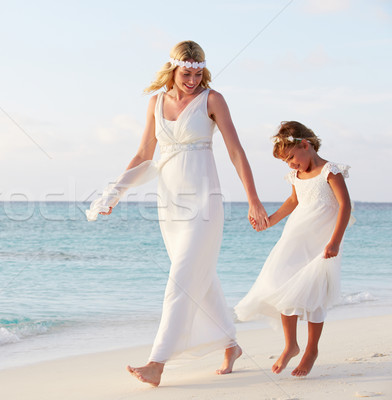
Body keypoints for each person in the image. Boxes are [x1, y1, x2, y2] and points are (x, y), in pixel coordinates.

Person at [86, 40, 269, 386]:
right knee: (200, 276)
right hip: (169, 204)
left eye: (198, 73)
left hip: (204, 201)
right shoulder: (155, 103)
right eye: (186, 73)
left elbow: (235, 150)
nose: (193, 80)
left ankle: (157, 362)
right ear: (173, 68)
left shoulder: (212, 100)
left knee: (181, 278)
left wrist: (253, 199)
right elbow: (143, 154)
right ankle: (231, 344)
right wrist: (114, 193)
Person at [235, 121, 353, 377]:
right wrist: (270, 221)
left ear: (305, 145)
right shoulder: (296, 176)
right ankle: (291, 344)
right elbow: (293, 201)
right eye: (286, 161)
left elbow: (345, 206)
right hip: (295, 237)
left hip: (323, 242)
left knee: (316, 292)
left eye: (291, 158)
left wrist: (335, 241)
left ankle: (311, 349)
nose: (291, 164)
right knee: (279, 281)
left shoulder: (329, 171)